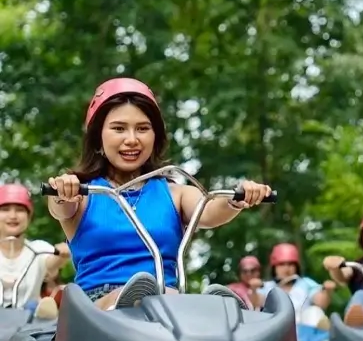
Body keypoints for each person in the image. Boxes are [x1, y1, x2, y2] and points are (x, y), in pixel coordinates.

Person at [46, 77, 272, 311]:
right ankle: (149, 301)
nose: (132, 140)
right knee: (144, 297)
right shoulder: (83, 193)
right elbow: (60, 206)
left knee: (167, 298)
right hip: (97, 308)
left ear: (155, 137)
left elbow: (209, 209)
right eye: (119, 129)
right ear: (98, 138)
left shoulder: (175, 193)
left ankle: (214, 309)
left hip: (164, 300)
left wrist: (238, 197)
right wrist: (63, 191)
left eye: (142, 129)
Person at [0, 183, 70, 320]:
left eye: (20, 210)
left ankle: (43, 313)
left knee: (36, 308)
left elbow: (52, 263)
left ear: (29, 216)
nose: (13, 216)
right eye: (5, 209)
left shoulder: (38, 249)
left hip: (27, 320)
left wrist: (62, 255)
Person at [256, 243, 333, 328]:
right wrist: (253, 289)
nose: (286, 268)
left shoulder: (306, 283)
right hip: (275, 328)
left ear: (296, 266)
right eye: (281, 264)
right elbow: (256, 302)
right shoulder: (267, 286)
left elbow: (321, 303)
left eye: (290, 264)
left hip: (302, 329)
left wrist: (328, 291)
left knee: (314, 311)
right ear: (274, 267)